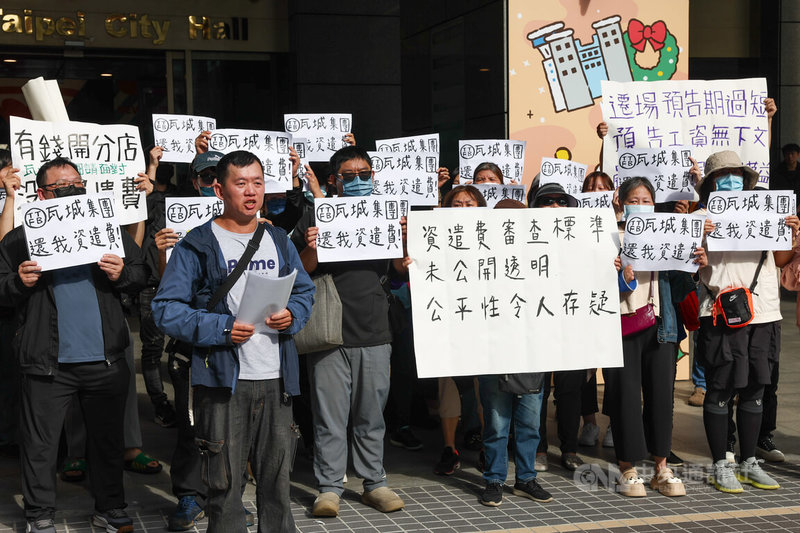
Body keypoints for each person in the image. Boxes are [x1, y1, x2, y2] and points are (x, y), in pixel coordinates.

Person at [152, 150, 315, 533]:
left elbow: (304, 292)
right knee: (223, 487)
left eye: (257, 182)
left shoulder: (276, 238)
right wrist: (221, 329)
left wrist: (293, 314)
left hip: (278, 381)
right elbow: (166, 309)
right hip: (222, 382)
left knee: (277, 485)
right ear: (219, 189)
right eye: (240, 183)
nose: (251, 191)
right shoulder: (198, 243)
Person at [0, 157, 145, 533]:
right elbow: (0, 288)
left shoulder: (107, 229)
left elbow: (141, 273)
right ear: (41, 194)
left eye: (77, 184)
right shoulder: (20, 240)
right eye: (62, 187)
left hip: (106, 360)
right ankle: (39, 515)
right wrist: (19, 282)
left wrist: (120, 273)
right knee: (40, 446)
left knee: (107, 441)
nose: (71, 190)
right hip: (46, 363)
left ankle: (110, 508)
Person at [292, 145, 408, 517]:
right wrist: (313, 245)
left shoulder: (386, 213)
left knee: (371, 414)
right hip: (328, 332)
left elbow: (400, 271)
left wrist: (403, 238)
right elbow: (300, 270)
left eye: (364, 174)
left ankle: (374, 482)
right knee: (329, 416)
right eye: (350, 175)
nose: (358, 181)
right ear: (335, 180)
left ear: (373, 176)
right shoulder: (314, 212)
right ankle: (329, 487)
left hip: (374, 328)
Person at [694, 150, 799, 493]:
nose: (731, 180)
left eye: (736, 174)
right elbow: (689, 263)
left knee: (756, 388)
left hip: (765, 311)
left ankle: (749, 461)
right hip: (721, 313)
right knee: (721, 388)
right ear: (710, 183)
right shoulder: (701, 217)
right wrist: (699, 237)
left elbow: (780, 258)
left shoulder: (765, 211)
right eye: (723, 176)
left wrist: (792, 234)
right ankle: (721, 463)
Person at [605, 176, 701, 498]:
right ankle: (627, 467)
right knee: (625, 396)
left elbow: (682, 284)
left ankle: (661, 467)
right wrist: (618, 273)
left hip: (662, 326)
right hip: (620, 327)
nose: (641, 206)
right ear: (621, 201)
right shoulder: (608, 235)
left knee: (661, 397)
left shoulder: (666, 234)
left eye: (647, 200)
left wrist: (693, 264)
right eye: (635, 199)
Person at [478, 196, 553, 507]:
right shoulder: (479, 258)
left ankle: (525, 478)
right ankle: (494, 480)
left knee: (530, 421)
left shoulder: (543, 258)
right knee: (496, 423)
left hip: (532, 351)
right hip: (492, 352)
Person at [432, 186, 487, 475]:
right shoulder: (435, 236)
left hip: (483, 322)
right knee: (448, 386)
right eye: (457, 204)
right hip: (448, 322)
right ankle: (449, 448)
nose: (463, 209)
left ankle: (485, 448)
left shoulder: (492, 236)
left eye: (470, 204)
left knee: (482, 388)